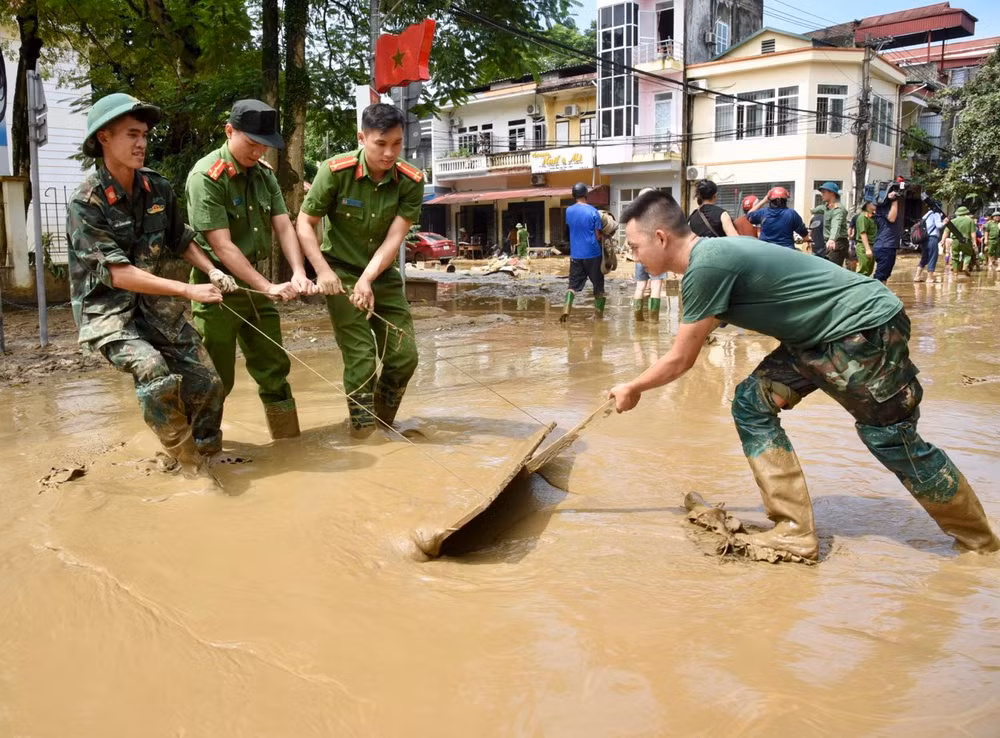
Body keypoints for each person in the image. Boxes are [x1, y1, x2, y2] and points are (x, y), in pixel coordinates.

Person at [608, 189, 998, 563]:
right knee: (751, 403)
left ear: (660, 237)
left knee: (891, 437)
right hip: (812, 340)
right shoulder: (711, 258)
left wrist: (633, 387)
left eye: (635, 246)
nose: (633, 255)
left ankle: (981, 545)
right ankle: (794, 530)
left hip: (861, 329)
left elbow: (680, 359)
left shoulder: (705, 266)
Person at [66, 93, 225, 484]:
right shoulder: (85, 203)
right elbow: (117, 274)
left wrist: (212, 270)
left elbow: (181, 237)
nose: (141, 144)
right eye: (131, 134)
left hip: (155, 308)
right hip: (108, 314)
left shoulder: (157, 188)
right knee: (153, 370)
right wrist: (188, 291)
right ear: (104, 138)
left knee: (208, 382)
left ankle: (207, 453)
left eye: (145, 135)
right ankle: (190, 468)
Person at [186, 99, 313, 441]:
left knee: (274, 370)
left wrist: (298, 271)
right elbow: (223, 246)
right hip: (218, 291)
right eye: (252, 143)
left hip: (258, 290)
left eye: (264, 146)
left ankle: (288, 443)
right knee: (216, 379)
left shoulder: (263, 175)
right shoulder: (206, 177)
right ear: (230, 131)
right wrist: (268, 285)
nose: (258, 153)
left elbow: (284, 225)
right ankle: (201, 450)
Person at [295, 103, 423, 437]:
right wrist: (322, 272)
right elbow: (304, 224)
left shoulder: (410, 181)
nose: (389, 152)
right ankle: (364, 435)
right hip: (339, 273)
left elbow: (395, 238)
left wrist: (368, 279)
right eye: (381, 144)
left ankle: (383, 425)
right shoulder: (335, 171)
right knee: (362, 361)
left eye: (396, 143)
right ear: (362, 138)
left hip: (380, 273)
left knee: (404, 356)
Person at [560, 182, 606, 322]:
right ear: (586, 194)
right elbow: (598, 236)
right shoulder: (593, 211)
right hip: (593, 253)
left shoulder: (568, 211)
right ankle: (598, 316)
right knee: (598, 285)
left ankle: (567, 308)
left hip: (576, 254)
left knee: (572, 285)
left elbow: (572, 229)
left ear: (574, 195)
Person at [818, 182, 849, 267]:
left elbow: (836, 224)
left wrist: (832, 239)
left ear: (831, 193)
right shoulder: (827, 207)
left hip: (836, 242)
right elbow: (817, 209)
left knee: (832, 270)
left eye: (824, 192)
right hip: (830, 242)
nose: (821, 195)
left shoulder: (837, 209)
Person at [914, 208, 947, 283]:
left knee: (924, 257)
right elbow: (938, 225)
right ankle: (929, 278)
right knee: (932, 257)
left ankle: (917, 276)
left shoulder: (926, 215)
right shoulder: (936, 214)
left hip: (924, 239)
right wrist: (944, 222)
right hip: (932, 238)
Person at [950, 206, 977, 276]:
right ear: (966, 212)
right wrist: (974, 242)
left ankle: (955, 272)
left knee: (954, 256)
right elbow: (973, 233)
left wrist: (942, 240)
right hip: (966, 241)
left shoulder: (953, 221)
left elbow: (946, 232)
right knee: (968, 254)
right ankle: (965, 266)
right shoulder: (970, 220)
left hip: (955, 240)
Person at [854, 199, 877, 277]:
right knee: (863, 271)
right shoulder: (863, 217)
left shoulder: (872, 217)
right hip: (864, 246)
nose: (875, 204)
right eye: (873, 203)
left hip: (871, 245)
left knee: (869, 271)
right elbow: (863, 233)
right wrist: (867, 249)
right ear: (867, 205)